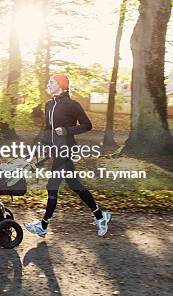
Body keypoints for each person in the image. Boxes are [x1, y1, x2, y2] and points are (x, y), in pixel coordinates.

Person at [25, 73, 111, 237]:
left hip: (67, 149)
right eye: (48, 82)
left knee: (52, 185)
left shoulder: (72, 105)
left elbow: (87, 125)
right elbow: (48, 129)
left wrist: (66, 130)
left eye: (52, 82)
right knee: (74, 184)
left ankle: (43, 226)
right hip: (55, 150)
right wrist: (40, 147)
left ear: (61, 85)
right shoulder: (49, 105)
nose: (48, 84)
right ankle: (100, 216)